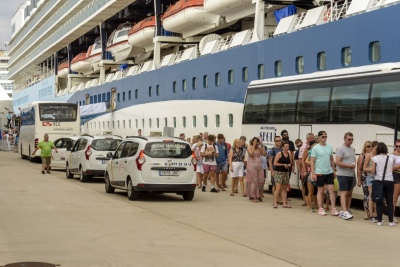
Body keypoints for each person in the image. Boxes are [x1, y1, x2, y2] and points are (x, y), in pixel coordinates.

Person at [310, 131, 339, 216]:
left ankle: (333, 208)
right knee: (321, 190)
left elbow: (331, 159)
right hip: (319, 172)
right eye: (323, 136)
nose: (325, 138)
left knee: (331, 190)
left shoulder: (330, 147)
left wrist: (334, 171)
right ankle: (320, 208)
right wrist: (313, 173)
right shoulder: (315, 148)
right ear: (318, 138)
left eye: (326, 136)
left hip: (329, 171)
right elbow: (312, 161)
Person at [371, 142, 396, 226]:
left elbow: (373, 171)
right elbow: (391, 170)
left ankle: (379, 221)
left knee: (379, 201)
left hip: (379, 181)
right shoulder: (391, 158)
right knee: (389, 201)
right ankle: (391, 221)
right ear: (386, 149)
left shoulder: (375, 158)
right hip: (389, 181)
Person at [335, 132, 356, 220]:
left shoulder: (352, 149)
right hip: (342, 174)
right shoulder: (340, 149)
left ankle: (346, 209)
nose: (351, 141)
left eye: (352, 139)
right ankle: (344, 211)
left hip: (350, 174)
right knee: (343, 192)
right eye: (349, 139)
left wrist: (353, 165)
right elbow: (338, 162)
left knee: (349, 192)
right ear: (344, 139)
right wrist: (348, 166)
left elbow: (352, 159)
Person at [273, 141, 294, 208]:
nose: (287, 148)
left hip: (286, 172)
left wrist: (289, 165)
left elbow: (290, 162)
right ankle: (275, 203)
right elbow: (275, 163)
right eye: (285, 147)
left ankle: (284, 203)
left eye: (288, 147)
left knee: (284, 189)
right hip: (279, 172)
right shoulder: (279, 154)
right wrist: (283, 164)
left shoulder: (289, 154)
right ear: (282, 147)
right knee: (278, 188)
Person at [246, 137, 266, 202]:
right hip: (251, 165)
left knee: (261, 180)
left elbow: (264, 154)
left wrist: (261, 145)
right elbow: (251, 154)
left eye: (257, 141)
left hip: (259, 165)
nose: (256, 142)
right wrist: (254, 146)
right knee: (253, 181)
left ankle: (259, 195)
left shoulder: (259, 148)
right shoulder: (249, 146)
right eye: (255, 141)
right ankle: (253, 196)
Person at [363, 141, 379, 222]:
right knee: (371, 195)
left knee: (376, 196)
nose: (376, 150)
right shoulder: (369, 156)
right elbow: (364, 168)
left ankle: (376, 214)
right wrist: (372, 170)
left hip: (377, 177)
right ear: (372, 147)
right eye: (375, 148)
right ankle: (371, 214)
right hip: (370, 177)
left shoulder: (378, 156)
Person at [357, 141, 372, 220]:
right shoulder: (362, 156)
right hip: (364, 177)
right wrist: (359, 180)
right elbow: (359, 169)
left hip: (371, 177)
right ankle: (366, 213)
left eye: (371, 146)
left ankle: (371, 212)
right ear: (365, 147)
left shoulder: (373, 155)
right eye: (368, 146)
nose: (370, 148)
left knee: (371, 195)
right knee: (366, 195)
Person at [268, 136, 282, 203]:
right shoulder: (272, 150)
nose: (278, 142)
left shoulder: (282, 149)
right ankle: (275, 199)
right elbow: (270, 161)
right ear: (274, 141)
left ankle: (280, 198)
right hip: (275, 169)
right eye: (277, 141)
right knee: (274, 185)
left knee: (280, 186)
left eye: (279, 141)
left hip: (281, 170)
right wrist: (272, 170)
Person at [295, 138, 306, 206]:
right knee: (303, 186)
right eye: (297, 146)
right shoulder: (297, 153)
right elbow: (298, 164)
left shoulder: (306, 151)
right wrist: (301, 172)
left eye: (300, 145)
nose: (299, 147)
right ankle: (305, 200)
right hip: (302, 172)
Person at [391, 139, 400, 224]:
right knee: (395, 197)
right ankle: (392, 216)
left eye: (399, 146)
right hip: (396, 175)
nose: (398, 148)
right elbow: (391, 168)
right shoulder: (392, 155)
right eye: (396, 146)